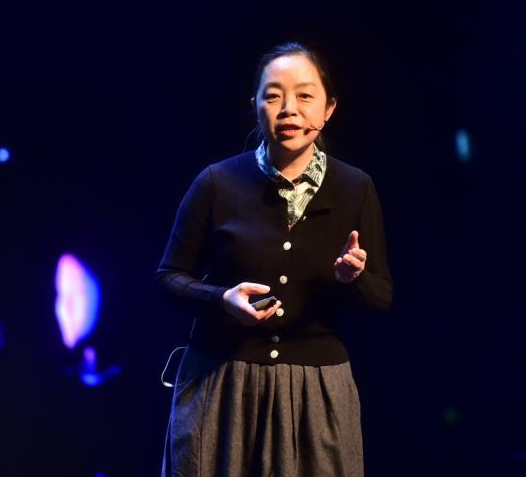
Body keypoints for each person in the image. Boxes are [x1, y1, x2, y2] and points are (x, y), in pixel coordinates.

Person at [158, 42, 393, 476]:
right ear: (255, 107)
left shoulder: (355, 187)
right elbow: (169, 277)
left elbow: (382, 296)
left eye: (305, 96)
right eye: (273, 96)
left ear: (328, 109)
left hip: (315, 391)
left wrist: (353, 278)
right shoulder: (216, 183)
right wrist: (221, 300)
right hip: (224, 384)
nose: (289, 109)